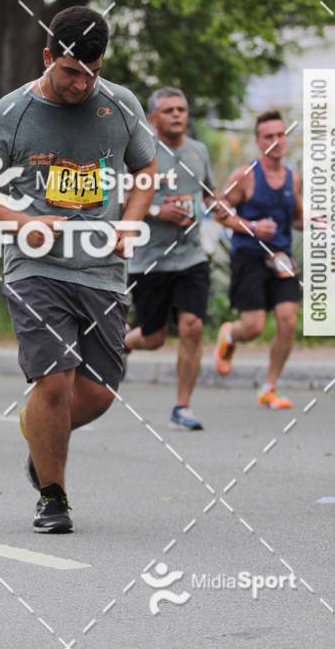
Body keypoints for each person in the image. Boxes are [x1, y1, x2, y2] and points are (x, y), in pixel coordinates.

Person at [0, 6, 156, 533]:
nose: (81, 83)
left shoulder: (120, 105)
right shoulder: (13, 113)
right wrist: (21, 220)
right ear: (48, 57)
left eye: (92, 72)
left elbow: (145, 169)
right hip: (35, 266)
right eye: (71, 71)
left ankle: (40, 440)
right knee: (53, 381)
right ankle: (53, 496)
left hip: (100, 270)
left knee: (98, 391)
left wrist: (129, 225)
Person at [124, 88, 224, 431]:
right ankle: (125, 342)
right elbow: (117, 197)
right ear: (153, 118)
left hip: (191, 257)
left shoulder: (198, 151)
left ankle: (183, 406)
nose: (178, 115)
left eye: (182, 109)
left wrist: (219, 207)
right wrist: (156, 209)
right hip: (149, 259)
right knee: (153, 338)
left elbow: (209, 195)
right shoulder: (139, 152)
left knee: (192, 326)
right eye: (169, 110)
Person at [215, 110, 303, 409]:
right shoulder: (244, 175)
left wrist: (322, 220)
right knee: (252, 327)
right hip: (250, 256)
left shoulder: (294, 178)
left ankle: (269, 386)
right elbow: (219, 212)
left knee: (288, 322)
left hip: (282, 257)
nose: (276, 141)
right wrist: (252, 227)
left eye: (281, 135)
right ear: (257, 141)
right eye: (269, 136)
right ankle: (230, 333)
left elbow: (297, 219)